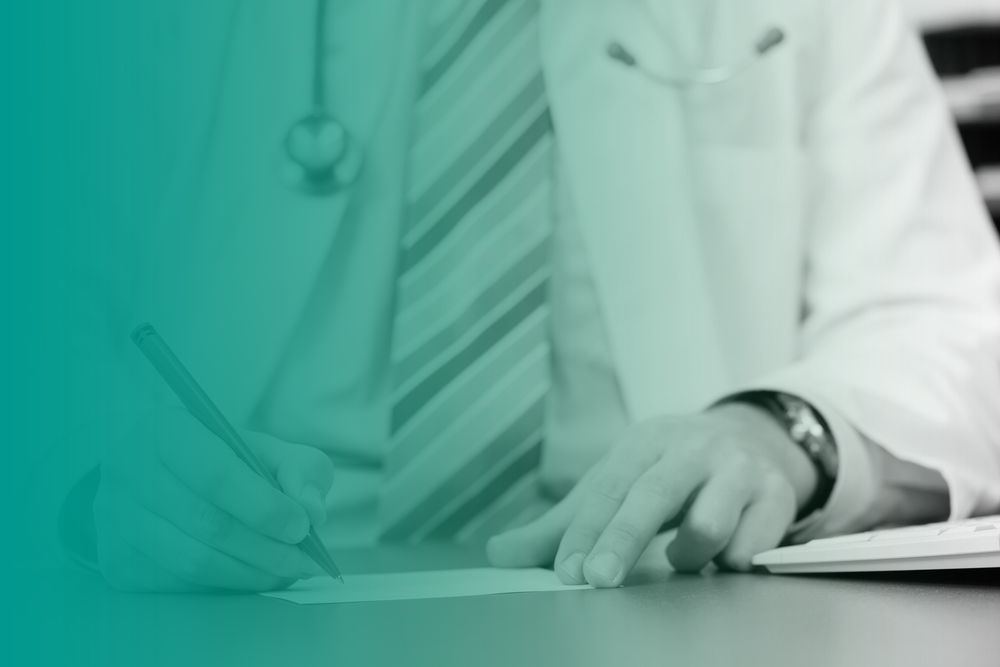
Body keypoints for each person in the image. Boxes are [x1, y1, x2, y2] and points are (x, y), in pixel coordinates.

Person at [31, 0, 1000, 592]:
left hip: (668, 589)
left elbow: (943, 312)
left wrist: (782, 430)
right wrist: (95, 474)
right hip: (246, 596)